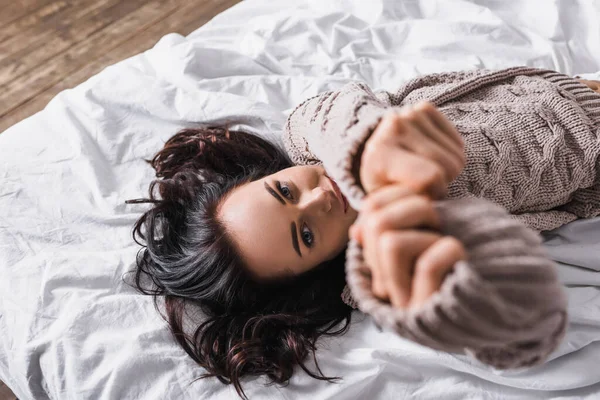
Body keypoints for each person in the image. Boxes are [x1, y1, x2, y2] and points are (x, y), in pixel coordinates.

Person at [128, 66, 600, 399]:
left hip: (547, 87)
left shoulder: (311, 136)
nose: (319, 199)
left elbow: (338, 111)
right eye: (307, 236)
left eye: (286, 191)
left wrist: (370, 150)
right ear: (316, 271)